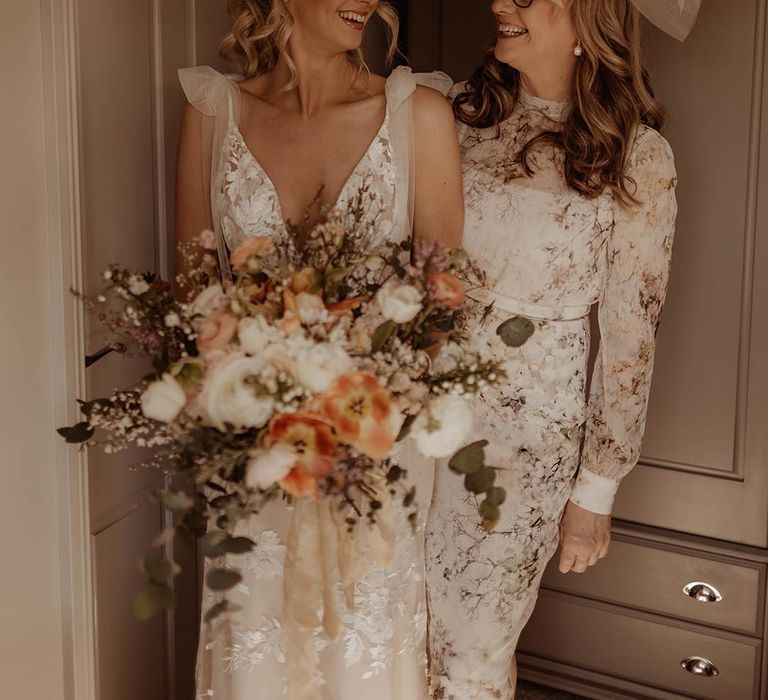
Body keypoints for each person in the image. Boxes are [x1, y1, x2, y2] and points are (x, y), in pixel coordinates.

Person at [174, 1, 463, 697]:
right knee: (256, 641)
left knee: (364, 647)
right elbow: (193, 291)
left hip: (372, 448)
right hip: (252, 444)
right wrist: (256, 381)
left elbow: (444, 302)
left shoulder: (419, 112)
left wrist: (347, 399)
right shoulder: (213, 112)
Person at [426, 0, 687, 697]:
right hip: (416, 423)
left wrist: (595, 491)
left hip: (523, 446)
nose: (498, 5)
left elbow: (633, 336)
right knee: (405, 637)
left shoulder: (637, 156)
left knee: (474, 653)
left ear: (588, 18)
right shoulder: (450, 113)